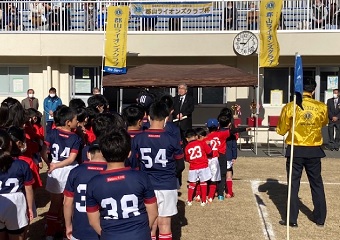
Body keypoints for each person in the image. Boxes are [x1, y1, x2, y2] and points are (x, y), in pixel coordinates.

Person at [86, 129, 158, 239]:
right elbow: (153, 211)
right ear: (129, 153)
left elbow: (92, 220)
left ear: (103, 154)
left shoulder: (93, 183)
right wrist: (142, 231)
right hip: (139, 234)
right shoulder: (141, 177)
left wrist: (107, 235)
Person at [276, 77, 328, 227]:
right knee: (316, 184)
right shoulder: (321, 106)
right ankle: (320, 218)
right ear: (313, 90)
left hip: (296, 149)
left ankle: (292, 220)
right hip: (314, 150)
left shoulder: (290, 106)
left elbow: (281, 130)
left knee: (293, 184)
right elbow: (323, 122)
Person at [132, 101, 185, 240]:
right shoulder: (172, 139)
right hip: (166, 184)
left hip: (145, 184)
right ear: (166, 118)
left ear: (148, 117)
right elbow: (181, 165)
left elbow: (134, 163)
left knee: (150, 222)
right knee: (165, 223)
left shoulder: (138, 138)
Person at [42, 105, 81, 239]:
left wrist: (50, 164)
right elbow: (71, 159)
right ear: (68, 122)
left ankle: (50, 233)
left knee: (55, 203)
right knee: (68, 204)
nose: (77, 122)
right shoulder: (75, 138)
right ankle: (66, 233)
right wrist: (57, 165)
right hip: (68, 171)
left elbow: (43, 151)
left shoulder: (52, 133)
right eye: (75, 119)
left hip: (55, 171)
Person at [64, 143, 107, 240]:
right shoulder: (110, 171)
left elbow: (67, 203)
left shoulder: (76, 171)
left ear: (88, 154)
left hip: (80, 229)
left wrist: (68, 226)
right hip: (104, 229)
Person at [0, 129, 35, 240]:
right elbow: (29, 189)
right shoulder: (21, 164)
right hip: (15, 203)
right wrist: (30, 208)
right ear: (10, 144)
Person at [184, 129, 212, 206]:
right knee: (203, 183)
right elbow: (209, 152)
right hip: (203, 166)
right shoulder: (201, 143)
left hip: (193, 167)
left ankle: (189, 200)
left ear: (187, 139)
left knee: (192, 184)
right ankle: (203, 201)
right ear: (196, 136)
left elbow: (187, 159)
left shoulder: (186, 147)